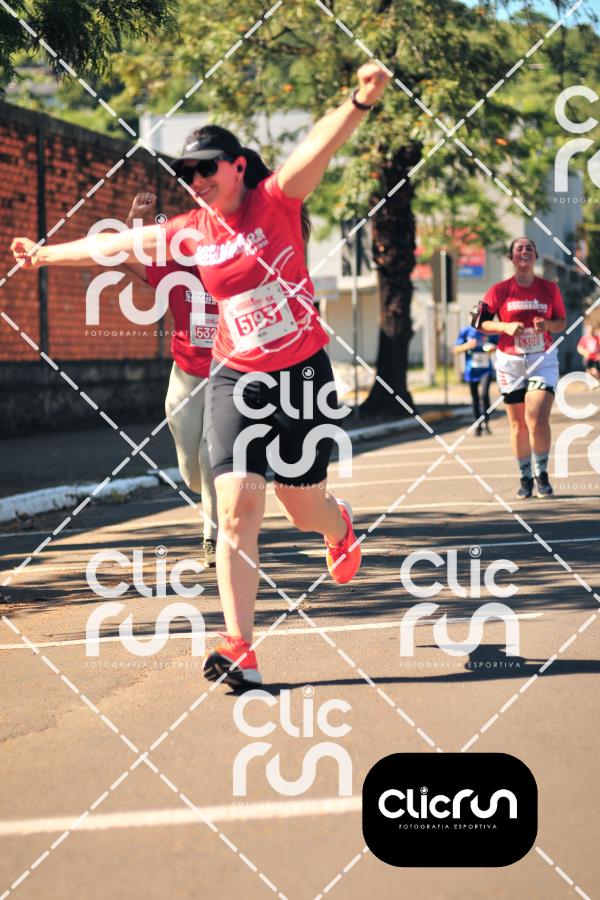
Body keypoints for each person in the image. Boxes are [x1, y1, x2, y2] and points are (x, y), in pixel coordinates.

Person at [11, 62, 391, 687]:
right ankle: (239, 646)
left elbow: (316, 147)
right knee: (237, 508)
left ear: (238, 166)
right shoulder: (191, 231)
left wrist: (358, 101)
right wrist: (46, 254)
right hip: (236, 377)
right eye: (186, 174)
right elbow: (119, 244)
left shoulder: (276, 201)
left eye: (206, 168)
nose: (196, 181)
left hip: (301, 374)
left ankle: (339, 526)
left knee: (304, 509)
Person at [123, 191, 218, 567]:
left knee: (211, 453)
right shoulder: (177, 270)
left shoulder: (235, 274)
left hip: (228, 376)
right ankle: (212, 499)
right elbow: (127, 257)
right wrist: (135, 217)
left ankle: (213, 535)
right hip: (186, 377)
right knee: (192, 473)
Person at [474, 237, 566, 499]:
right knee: (518, 425)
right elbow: (480, 322)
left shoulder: (549, 288)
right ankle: (525, 477)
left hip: (541, 359)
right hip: (510, 362)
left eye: (529, 248)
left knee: (536, 417)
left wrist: (547, 326)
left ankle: (541, 474)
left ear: (535, 256)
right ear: (511, 257)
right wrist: (504, 326)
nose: (524, 251)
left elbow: (561, 321)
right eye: (519, 248)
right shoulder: (500, 290)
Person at [453, 314, 498, 435]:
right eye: (473, 316)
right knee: (475, 398)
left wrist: (493, 348)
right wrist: (467, 346)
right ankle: (478, 425)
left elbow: (500, 345)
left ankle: (486, 423)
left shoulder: (488, 331)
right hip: (471, 370)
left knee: (484, 395)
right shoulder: (466, 331)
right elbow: (456, 349)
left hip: (486, 369)